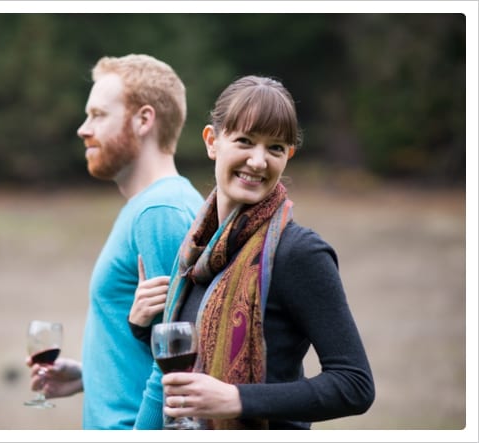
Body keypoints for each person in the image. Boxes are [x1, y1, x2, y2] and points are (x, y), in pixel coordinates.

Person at [133, 75, 375, 430]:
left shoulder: (299, 253)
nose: (258, 161)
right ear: (212, 141)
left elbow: (354, 385)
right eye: (245, 141)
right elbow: (186, 363)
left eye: (275, 148)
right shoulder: (197, 247)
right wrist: (141, 324)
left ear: (288, 156)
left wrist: (236, 399)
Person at [26, 54, 204, 429]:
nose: (82, 128)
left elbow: (184, 363)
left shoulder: (160, 211)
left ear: (143, 120)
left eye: (98, 115)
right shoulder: (148, 206)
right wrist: (88, 377)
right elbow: (148, 342)